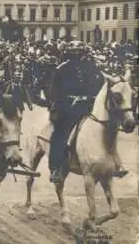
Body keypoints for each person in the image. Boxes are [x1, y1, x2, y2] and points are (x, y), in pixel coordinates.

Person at [47, 41, 126, 183]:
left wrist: (92, 97)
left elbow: (99, 86)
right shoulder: (61, 70)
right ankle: (56, 168)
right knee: (60, 132)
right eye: (74, 54)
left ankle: (115, 159)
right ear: (68, 54)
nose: (77, 57)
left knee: (108, 125)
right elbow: (53, 92)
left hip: (88, 106)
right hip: (67, 109)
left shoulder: (91, 68)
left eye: (80, 54)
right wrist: (69, 99)